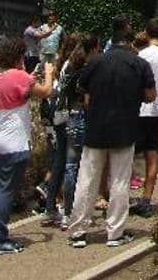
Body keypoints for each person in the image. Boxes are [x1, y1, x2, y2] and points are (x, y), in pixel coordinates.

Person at [67, 16, 156, 249]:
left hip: (96, 127)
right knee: (119, 181)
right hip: (125, 128)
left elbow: (81, 88)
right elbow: (150, 95)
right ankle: (114, 232)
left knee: (87, 179)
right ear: (130, 42)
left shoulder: (96, 61)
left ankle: (78, 230)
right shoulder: (139, 64)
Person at [0, 37, 54, 253]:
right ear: (19, 56)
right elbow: (46, 91)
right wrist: (48, 73)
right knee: (5, 190)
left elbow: (14, 88)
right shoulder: (20, 76)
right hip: (13, 143)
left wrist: (28, 78)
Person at [130, 19, 158, 217]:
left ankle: (120, 198)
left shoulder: (143, 55)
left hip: (140, 110)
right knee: (152, 155)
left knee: (127, 155)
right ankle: (146, 200)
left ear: (146, 33)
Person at [58, 34, 100, 229]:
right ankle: (82, 212)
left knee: (70, 166)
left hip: (68, 115)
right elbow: (88, 98)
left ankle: (67, 213)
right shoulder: (87, 69)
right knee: (86, 168)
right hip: (83, 115)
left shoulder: (67, 65)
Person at [40, 32, 78, 226]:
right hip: (68, 116)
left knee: (57, 161)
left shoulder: (59, 64)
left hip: (54, 115)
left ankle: (50, 206)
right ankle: (68, 212)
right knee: (70, 164)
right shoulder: (73, 66)